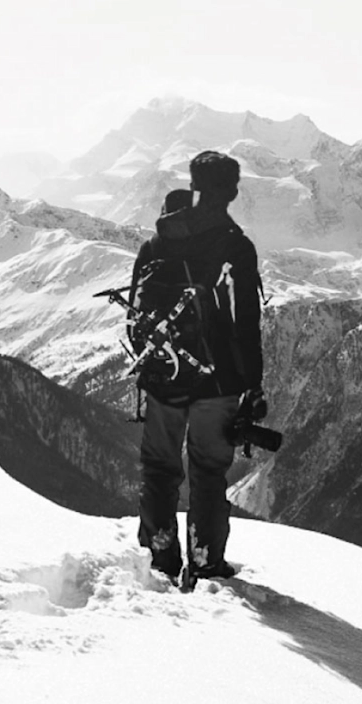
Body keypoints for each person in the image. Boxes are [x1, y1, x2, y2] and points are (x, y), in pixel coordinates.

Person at [134, 150, 265, 584]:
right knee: (208, 470)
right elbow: (246, 321)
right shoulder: (235, 246)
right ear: (231, 191)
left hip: (163, 376)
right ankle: (206, 560)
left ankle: (159, 556)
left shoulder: (156, 242)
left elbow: (136, 314)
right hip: (219, 381)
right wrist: (253, 384)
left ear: (192, 186)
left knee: (159, 468)